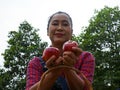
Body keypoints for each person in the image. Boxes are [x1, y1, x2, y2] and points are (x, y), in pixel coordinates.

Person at [25, 11, 95, 90]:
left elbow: (85, 88)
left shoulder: (85, 57)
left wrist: (68, 69)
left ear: (71, 32)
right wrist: (54, 72)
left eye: (65, 24)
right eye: (55, 24)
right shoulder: (36, 63)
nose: (60, 28)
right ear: (48, 31)